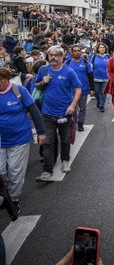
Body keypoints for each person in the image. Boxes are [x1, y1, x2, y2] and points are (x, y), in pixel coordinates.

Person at [34, 46, 82, 181]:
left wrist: (72, 106)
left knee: (65, 139)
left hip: (64, 114)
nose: (53, 58)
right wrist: (43, 81)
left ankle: (65, 160)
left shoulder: (69, 71)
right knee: (48, 142)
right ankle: (47, 171)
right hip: (47, 113)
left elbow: (78, 89)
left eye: (56, 55)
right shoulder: (43, 70)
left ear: (62, 57)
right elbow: (36, 85)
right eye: (51, 55)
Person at [0, 68, 45, 214]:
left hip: (19, 138)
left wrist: (41, 132)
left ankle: (13, 200)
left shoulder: (18, 90)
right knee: (1, 172)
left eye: (1, 79)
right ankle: (4, 193)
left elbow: (34, 111)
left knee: (15, 170)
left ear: (6, 78)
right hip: (1, 140)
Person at [66, 45, 94, 131]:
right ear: (72, 52)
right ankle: (73, 121)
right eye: (75, 51)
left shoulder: (86, 63)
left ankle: (80, 123)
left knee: (82, 108)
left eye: (79, 50)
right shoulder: (67, 63)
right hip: (71, 90)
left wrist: (92, 89)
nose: (77, 52)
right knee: (72, 107)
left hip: (83, 90)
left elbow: (90, 76)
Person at [91, 43, 110, 112]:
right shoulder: (94, 57)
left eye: (103, 48)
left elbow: (111, 67)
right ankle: (99, 101)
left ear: (105, 49)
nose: (102, 49)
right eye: (100, 47)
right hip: (95, 78)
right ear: (98, 49)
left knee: (103, 92)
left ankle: (102, 105)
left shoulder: (108, 57)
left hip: (105, 78)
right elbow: (91, 67)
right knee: (96, 92)